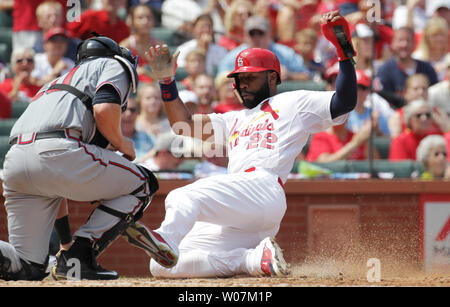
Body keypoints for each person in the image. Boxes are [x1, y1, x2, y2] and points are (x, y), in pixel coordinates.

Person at [141, 10, 358, 278]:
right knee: (163, 265)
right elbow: (181, 124)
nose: (242, 85)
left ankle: (164, 237)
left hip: (263, 187)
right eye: (239, 79)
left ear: (272, 77)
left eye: (250, 78)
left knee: (180, 196)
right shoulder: (233, 119)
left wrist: (343, 53)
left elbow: (343, 102)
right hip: (239, 207)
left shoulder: (292, 102)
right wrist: (166, 82)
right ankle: (251, 260)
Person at [0, 36, 177, 281]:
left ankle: (72, 257)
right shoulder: (112, 64)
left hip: (16, 162)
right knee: (144, 183)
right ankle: (80, 259)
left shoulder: (51, 85)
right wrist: (121, 143)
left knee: (27, 265)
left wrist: (65, 242)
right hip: (58, 151)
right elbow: (104, 108)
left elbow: (54, 184)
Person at [217, 15, 309, 81]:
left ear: (269, 33)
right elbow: (220, 79)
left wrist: (290, 75)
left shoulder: (285, 53)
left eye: (260, 33)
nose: (256, 38)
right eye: (252, 33)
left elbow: (307, 75)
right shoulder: (235, 56)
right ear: (245, 35)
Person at [375, 26, 439, 99]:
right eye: (400, 40)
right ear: (393, 43)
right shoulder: (385, 70)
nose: (404, 44)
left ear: (414, 43)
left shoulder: (426, 68)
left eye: (408, 40)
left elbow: (435, 94)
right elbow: (381, 98)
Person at [120, 4, 159, 82]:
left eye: (149, 18)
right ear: (132, 21)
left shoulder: (159, 47)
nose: (145, 21)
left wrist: (146, 73)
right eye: (140, 18)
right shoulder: (125, 46)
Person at [66, 0, 130, 43]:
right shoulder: (89, 17)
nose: (112, 1)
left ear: (123, 2)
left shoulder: (124, 28)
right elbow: (68, 34)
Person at [413, 16, 449, 81]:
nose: (439, 39)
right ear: (427, 37)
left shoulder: (448, 58)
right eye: (435, 35)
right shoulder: (417, 58)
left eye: (442, 34)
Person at [121, 95, 155, 160]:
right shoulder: (109, 141)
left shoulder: (149, 138)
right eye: (123, 109)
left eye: (132, 110)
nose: (128, 114)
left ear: (138, 113)